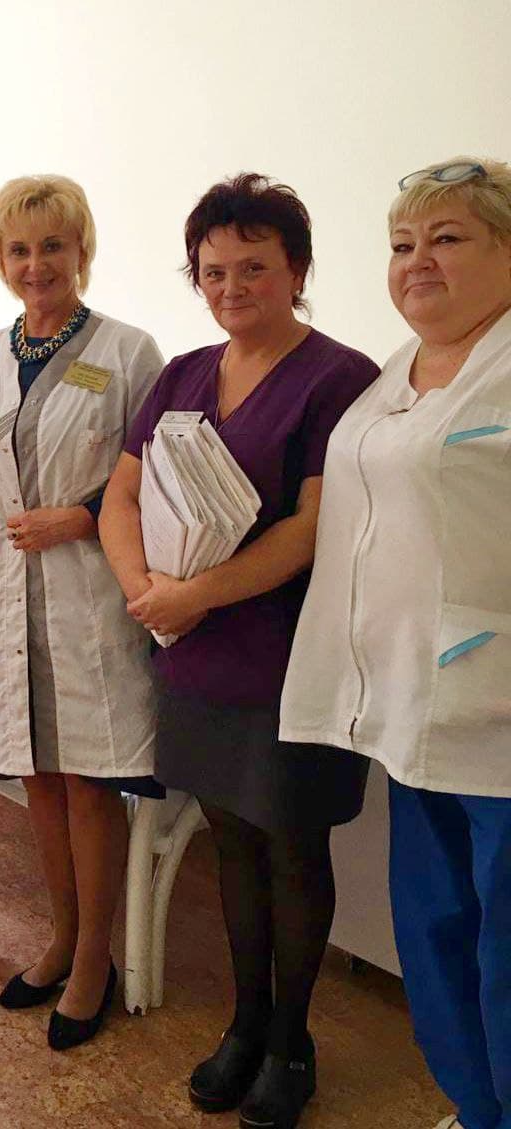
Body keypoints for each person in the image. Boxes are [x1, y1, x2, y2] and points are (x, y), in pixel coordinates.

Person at [99, 174, 377, 1127]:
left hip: (291, 657)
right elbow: (121, 494)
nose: (231, 286)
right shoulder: (183, 374)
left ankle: (292, 1041)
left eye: (253, 267)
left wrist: (191, 595)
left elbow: (312, 525)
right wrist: (143, 588)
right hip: (192, 651)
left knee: (292, 844)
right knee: (232, 842)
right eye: (213, 270)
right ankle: (246, 1020)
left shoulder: (338, 378)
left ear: (297, 269)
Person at [280, 157, 511, 1129]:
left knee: (506, 943)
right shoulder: (397, 368)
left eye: (447, 238)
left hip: (500, 716)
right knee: (436, 927)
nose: (418, 260)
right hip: (413, 705)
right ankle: (477, 1105)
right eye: (402, 243)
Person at [0, 175, 164, 1050]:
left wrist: (84, 515)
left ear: (80, 250)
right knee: (38, 780)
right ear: (0, 259)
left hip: (91, 599)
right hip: (0, 597)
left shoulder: (130, 353)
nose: (36, 264)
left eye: (52, 246)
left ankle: (96, 957)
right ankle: (60, 938)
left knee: (90, 781)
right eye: (19, 249)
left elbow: (159, 478)